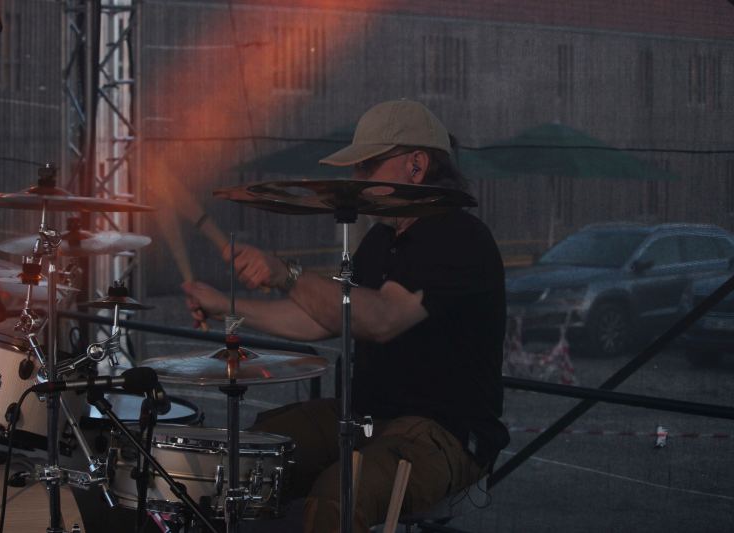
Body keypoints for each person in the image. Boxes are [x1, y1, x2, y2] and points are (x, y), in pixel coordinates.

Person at [183, 99, 509, 532]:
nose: (356, 180)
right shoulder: (381, 240)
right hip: (368, 416)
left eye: (367, 166)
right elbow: (321, 319)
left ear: (416, 165)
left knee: (340, 494)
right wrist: (226, 306)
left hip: (442, 430)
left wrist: (285, 274)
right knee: (257, 450)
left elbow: (381, 319)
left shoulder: (458, 237)